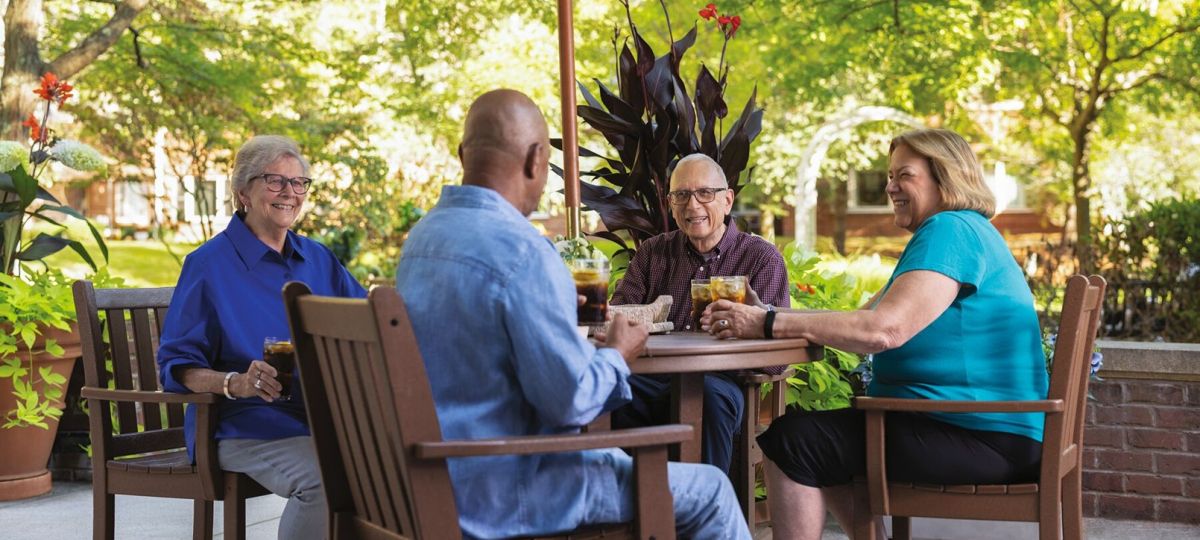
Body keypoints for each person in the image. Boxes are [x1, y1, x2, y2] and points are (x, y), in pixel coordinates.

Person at [395, 89, 749, 539]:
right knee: (712, 489)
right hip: (513, 486)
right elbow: (572, 402)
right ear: (537, 160)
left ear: (464, 153)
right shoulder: (523, 253)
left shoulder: (423, 240)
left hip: (434, 476)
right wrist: (619, 354)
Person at [704, 128, 1048, 539]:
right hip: (982, 431)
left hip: (982, 435)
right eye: (889, 175)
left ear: (945, 176)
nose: (889, 186)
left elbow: (884, 331)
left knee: (791, 443)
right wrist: (771, 312)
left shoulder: (950, 231)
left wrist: (768, 324)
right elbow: (862, 317)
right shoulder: (958, 232)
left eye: (904, 175)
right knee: (821, 437)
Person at [157, 135, 366, 540]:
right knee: (325, 481)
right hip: (240, 426)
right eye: (275, 181)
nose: (290, 193)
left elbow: (364, 323)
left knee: (388, 470)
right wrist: (236, 384)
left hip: (320, 420)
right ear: (243, 194)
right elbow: (177, 366)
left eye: (299, 182)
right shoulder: (207, 266)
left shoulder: (319, 259)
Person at [610, 152, 790, 473]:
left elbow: (776, 356)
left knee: (705, 395)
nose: (692, 206)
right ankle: (631, 511)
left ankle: (705, 515)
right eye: (681, 195)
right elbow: (620, 317)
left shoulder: (761, 259)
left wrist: (741, 325)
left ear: (727, 200)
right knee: (609, 389)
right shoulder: (653, 252)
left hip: (722, 382)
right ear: (671, 203)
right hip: (654, 377)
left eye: (705, 193)